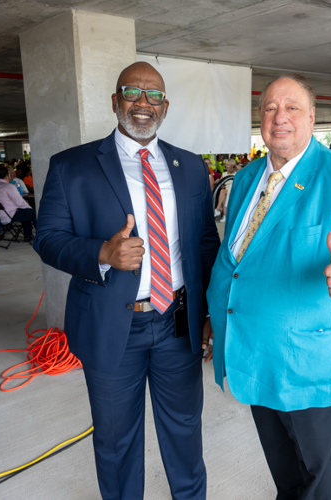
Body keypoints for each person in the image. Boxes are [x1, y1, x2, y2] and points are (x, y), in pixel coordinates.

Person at [203, 74, 331, 500]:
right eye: (270, 108)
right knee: (287, 478)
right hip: (255, 358)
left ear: (311, 117)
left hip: (312, 364)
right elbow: (234, 259)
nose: (280, 117)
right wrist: (213, 312)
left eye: (292, 107)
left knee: (319, 484)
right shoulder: (247, 177)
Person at [33, 62, 220, 500]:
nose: (143, 103)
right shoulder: (71, 166)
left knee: (185, 436)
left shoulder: (191, 167)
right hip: (111, 327)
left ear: (165, 106)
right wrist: (101, 252)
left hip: (177, 323)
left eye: (153, 95)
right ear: (115, 101)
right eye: (132, 92)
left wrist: (209, 311)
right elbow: (47, 239)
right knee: (116, 444)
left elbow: (205, 244)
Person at [0, 165, 36, 239]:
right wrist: (29, 208)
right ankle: (42, 235)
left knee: (26, 212)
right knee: (35, 213)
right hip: (9, 215)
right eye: (10, 175)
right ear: (6, 177)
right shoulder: (9, 187)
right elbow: (20, 202)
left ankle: (28, 235)